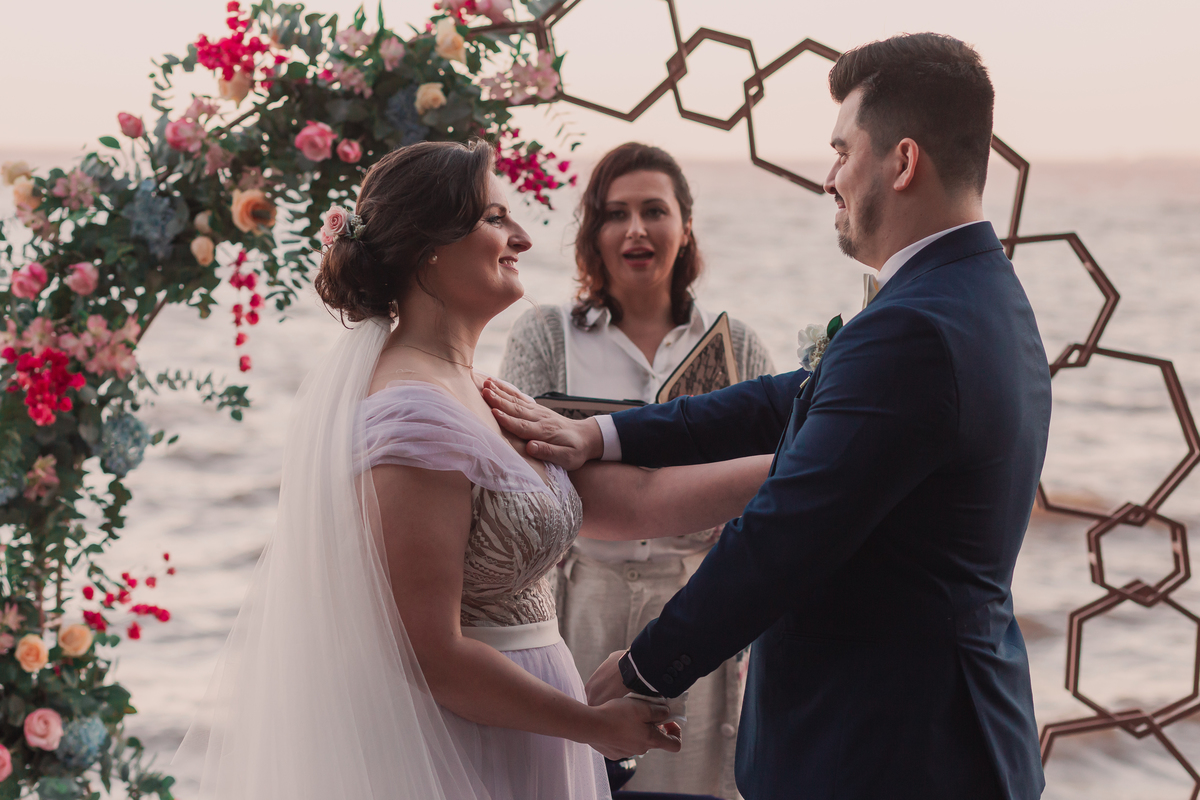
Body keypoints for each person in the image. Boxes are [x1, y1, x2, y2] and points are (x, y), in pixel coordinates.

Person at [484, 33, 1051, 800]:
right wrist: (602, 434)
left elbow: (787, 532)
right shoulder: (976, 294)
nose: (829, 178)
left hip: (891, 751)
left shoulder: (915, 327)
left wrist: (649, 666)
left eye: (841, 152)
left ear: (903, 162)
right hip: (943, 732)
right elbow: (787, 397)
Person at [179, 140, 775, 800]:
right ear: (429, 247)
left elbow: (634, 501)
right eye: (495, 218)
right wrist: (590, 725)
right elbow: (430, 654)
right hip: (469, 750)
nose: (522, 236)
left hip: (531, 732)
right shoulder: (411, 416)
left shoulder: (487, 394)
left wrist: (803, 466)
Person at [500, 141, 775, 798]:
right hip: (580, 596)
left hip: (694, 606)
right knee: (574, 781)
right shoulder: (546, 334)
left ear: (685, 226)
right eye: (615, 213)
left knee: (692, 784)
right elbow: (520, 479)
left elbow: (773, 486)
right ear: (592, 231)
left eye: (655, 210)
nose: (636, 229)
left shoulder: (736, 345)